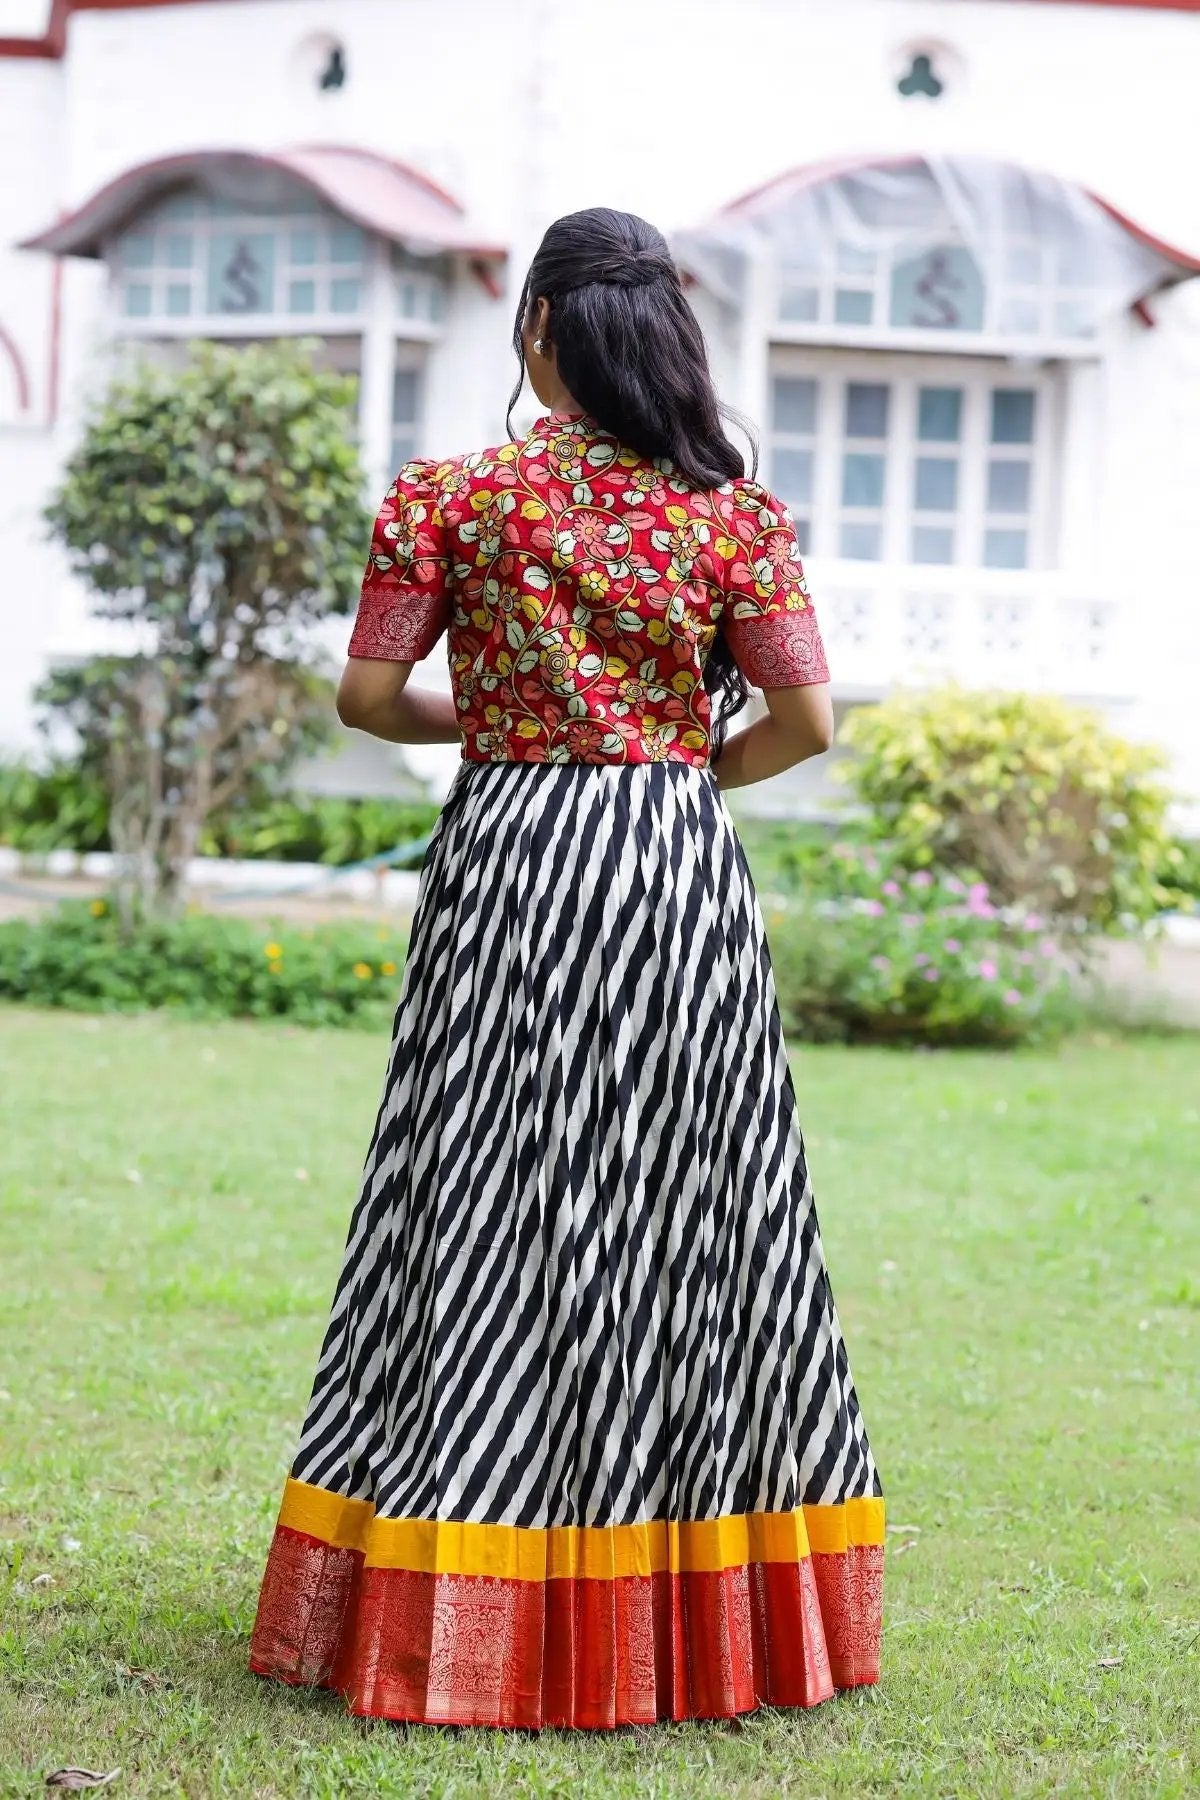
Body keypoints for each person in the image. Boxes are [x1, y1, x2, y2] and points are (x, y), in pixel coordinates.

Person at [248, 206, 883, 1729]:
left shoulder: (449, 500)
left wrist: (526, 728)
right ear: (663, 333)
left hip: (514, 867)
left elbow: (366, 697)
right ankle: (701, 1617)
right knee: (692, 1213)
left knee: (480, 1197)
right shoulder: (736, 518)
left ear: (536, 326)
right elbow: (807, 726)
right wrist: (664, 761)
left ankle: (451, 1589)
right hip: (671, 865)